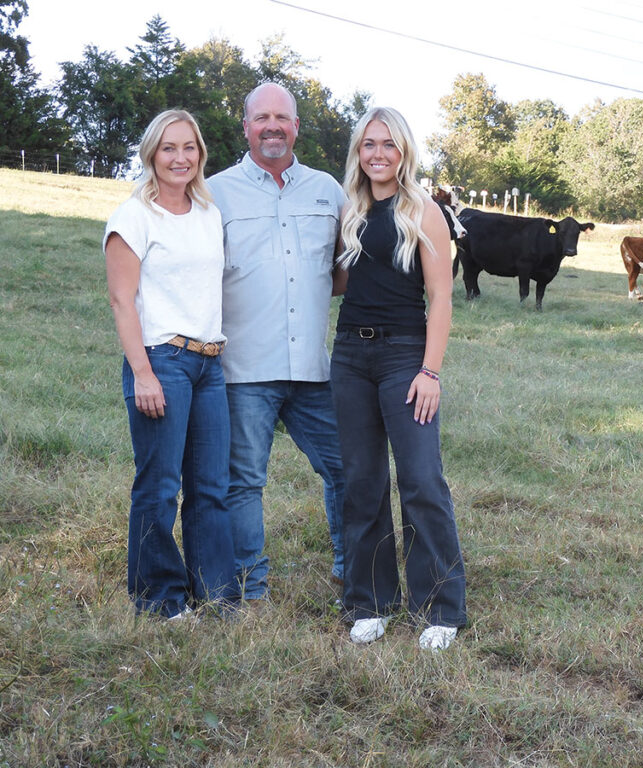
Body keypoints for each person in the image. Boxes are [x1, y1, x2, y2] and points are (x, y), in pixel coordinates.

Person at [331, 107, 467, 651]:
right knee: (361, 481)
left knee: (419, 479)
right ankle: (370, 601)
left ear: (404, 150)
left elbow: (440, 298)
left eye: (388, 144)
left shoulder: (423, 211)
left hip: (405, 358)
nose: (378, 154)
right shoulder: (350, 209)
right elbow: (341, 281)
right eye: (368, 145)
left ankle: (441, 607)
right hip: (349, 358)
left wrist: (430, 371)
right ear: (358, 153)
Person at [207, 82, 347, 603]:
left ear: (295, 128)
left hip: (314, 367)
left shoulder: (327, 190)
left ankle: (350, 569)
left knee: (346, 470)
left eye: (282, 118)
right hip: (245, 367)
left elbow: (343, 270)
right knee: (243, 482)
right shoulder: (215, 191)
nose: (272, 126)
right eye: (261, 117)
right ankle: (251, 587)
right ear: (244, 126)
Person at [103, 109, 234, 619]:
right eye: (168, 149)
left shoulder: (207, 212)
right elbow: (121, 300)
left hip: (209, 364)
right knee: (159, 486)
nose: (180, 158)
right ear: (151, 154)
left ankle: (215, 594)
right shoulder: (133, 217)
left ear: (200, 154)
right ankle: (160, 598)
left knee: (210, 487)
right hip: (162, 362)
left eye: (189, 148)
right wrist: (142, 374)